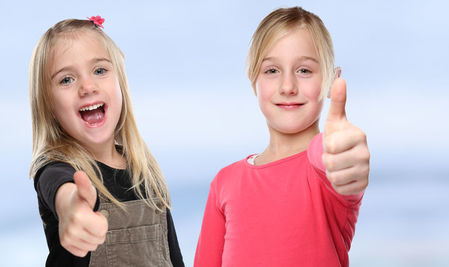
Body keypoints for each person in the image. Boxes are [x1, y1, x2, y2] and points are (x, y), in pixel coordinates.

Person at [194, 7, 370, 266]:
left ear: (332, 81)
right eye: (272, 71)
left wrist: (343, 151)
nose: (288, 87)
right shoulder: (225, 182)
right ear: (254, 79)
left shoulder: (326, 167)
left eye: (304, 71)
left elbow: (332, 159)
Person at [29, 16, 184, 266]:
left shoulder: (146, 172)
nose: (87, 86)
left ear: (120, 82)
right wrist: (72, 209)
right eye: (66, 79)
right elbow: (63, 192)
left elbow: (173, 257)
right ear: (48, 106)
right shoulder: (55, 170)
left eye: (100, 70)